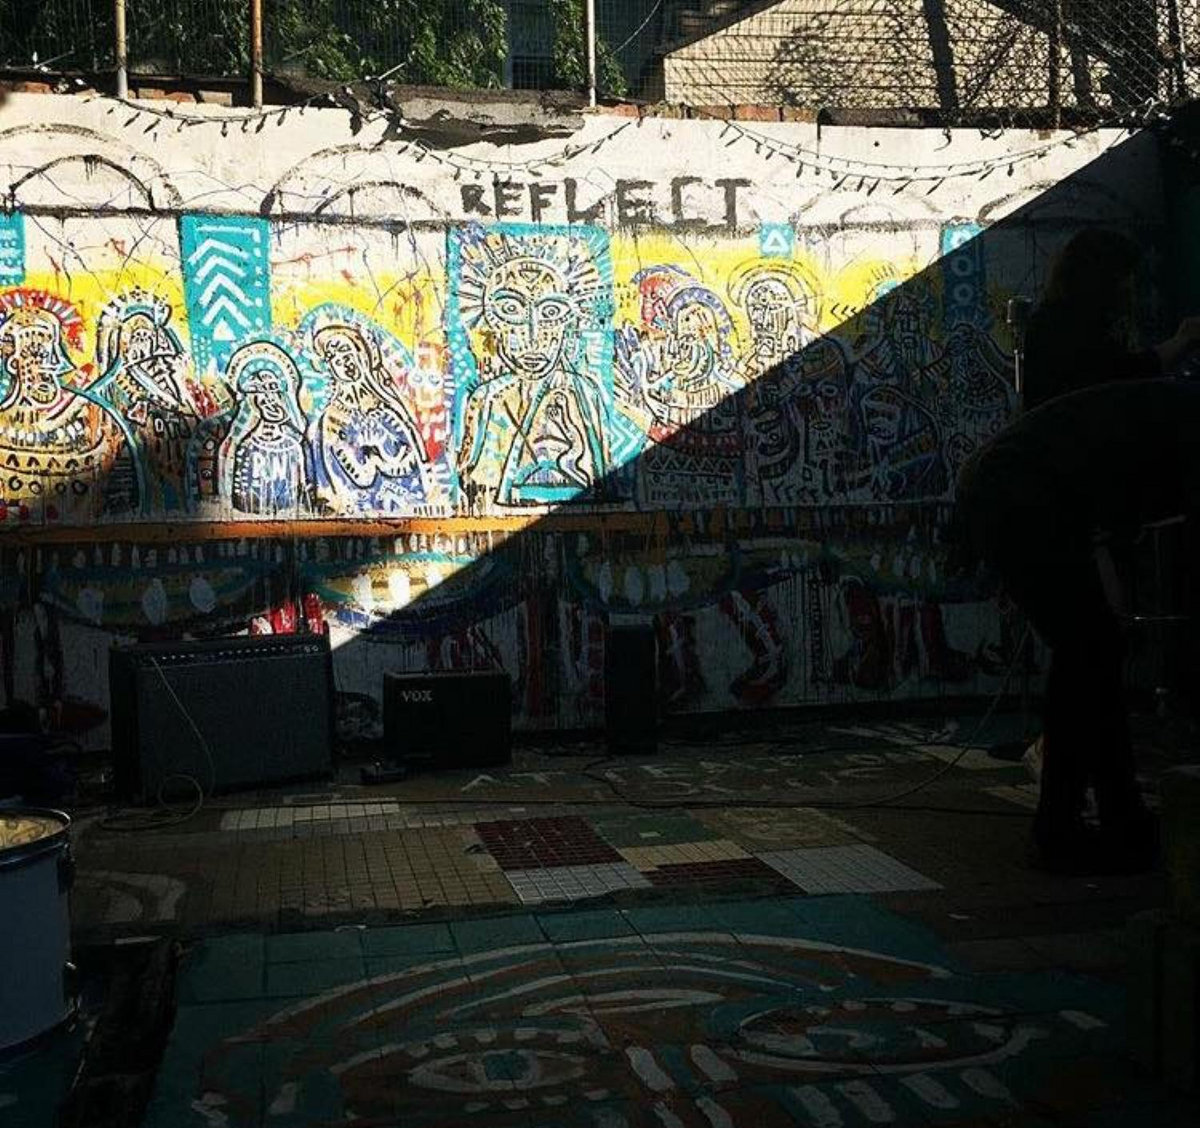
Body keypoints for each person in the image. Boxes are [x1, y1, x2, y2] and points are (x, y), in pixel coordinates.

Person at [955, 379, 1200, 873]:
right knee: (1090, 655)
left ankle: (1107, 819)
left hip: (1009, 488)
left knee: (1091, 656)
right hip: (1020, 494)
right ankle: (1069, 827)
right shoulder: (1182, 426)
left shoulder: (1169, 413)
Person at [1023, 228, 1200, 409]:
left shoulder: (1052, 321)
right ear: (1106, 279)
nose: (1130, 286)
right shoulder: (1077, 330)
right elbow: (1125, 374)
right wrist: (1182, 339)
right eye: (1125, 275)